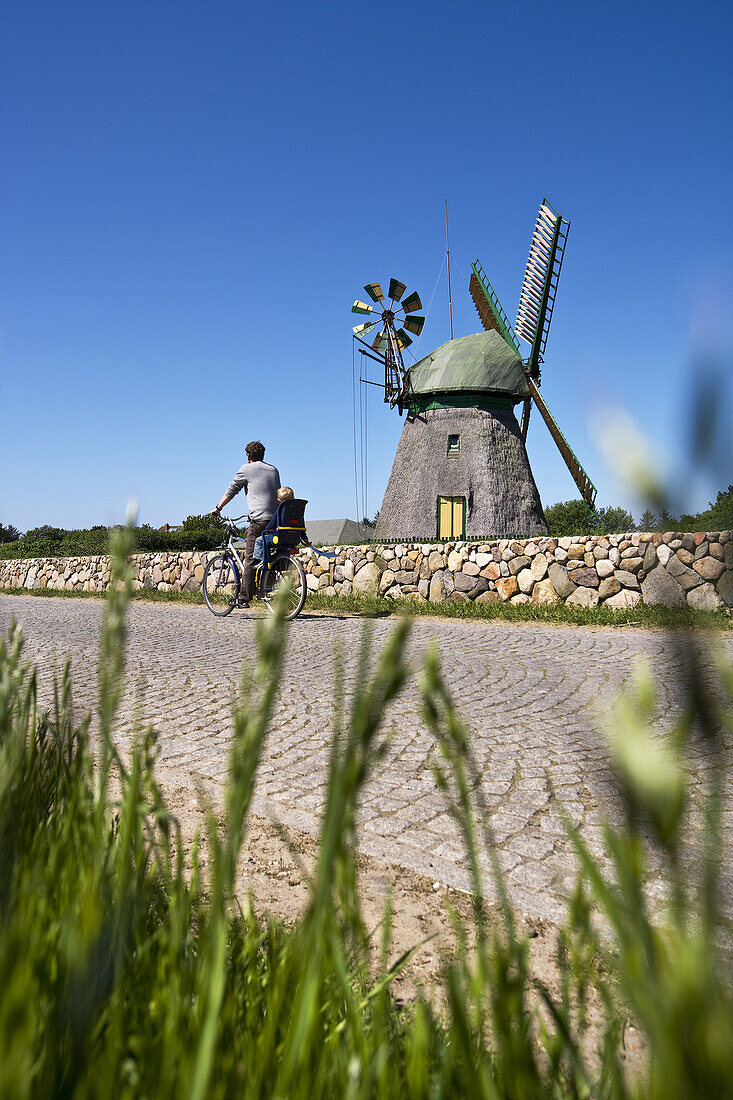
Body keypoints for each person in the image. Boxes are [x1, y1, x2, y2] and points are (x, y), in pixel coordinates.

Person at [212, 441, 280, 608]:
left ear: (248, 456)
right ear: (263, 455)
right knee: (263, 552)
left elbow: (232, 490)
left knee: (249, 557)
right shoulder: (273, 470)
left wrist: (218, 508)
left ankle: (243, 598)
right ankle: (266, 581)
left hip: (259, 520)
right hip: (276, 519)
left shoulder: (246, 469)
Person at [252, 486, 295, 563]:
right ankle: (281, 562)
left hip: (280, 537)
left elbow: (272, 523)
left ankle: (264, 561)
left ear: (279, 500)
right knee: (283, 546)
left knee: (259, 541)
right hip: (293, 538)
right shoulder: (297, 511)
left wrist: (267, 529)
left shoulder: (281, 509)